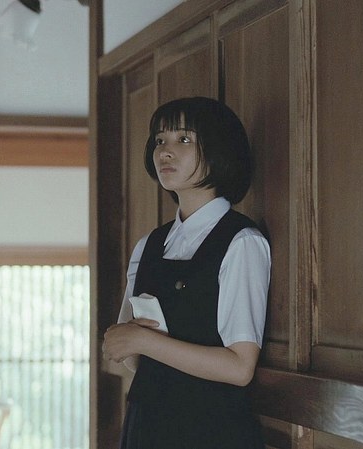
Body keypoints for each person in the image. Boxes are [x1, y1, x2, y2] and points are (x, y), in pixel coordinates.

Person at [102, 96, 271, 449]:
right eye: (159, 140)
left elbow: (240, 368)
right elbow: (131, 353)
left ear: (218, 150)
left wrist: (143, 340)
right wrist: (128, 341)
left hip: (210, 431)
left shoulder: (241, 241)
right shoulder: (149, 244)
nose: (165, 151)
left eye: (183, 139)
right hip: (146, 425)